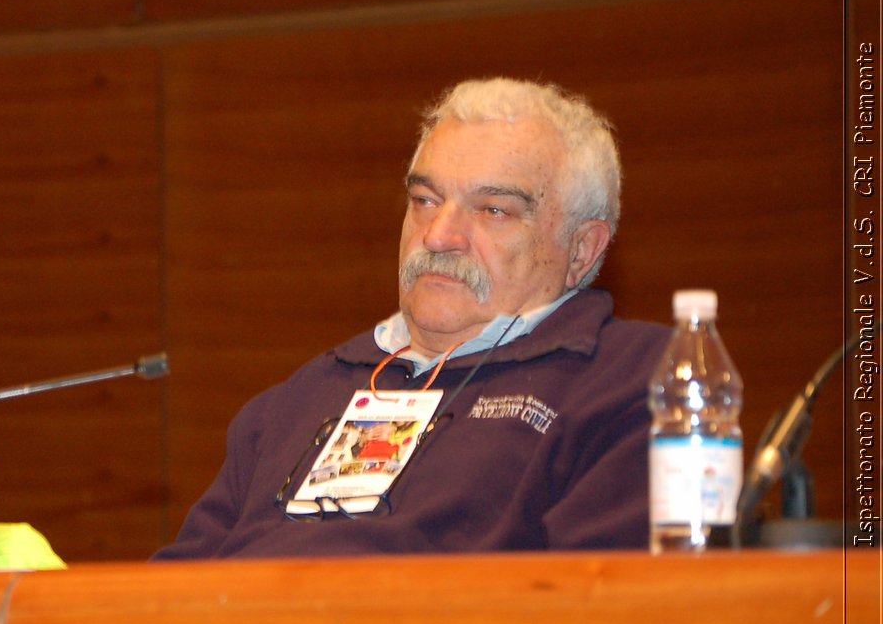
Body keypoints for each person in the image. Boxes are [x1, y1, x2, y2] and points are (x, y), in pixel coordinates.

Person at [155, 77, 671, 559]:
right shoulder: (294, 402)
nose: (439, 235)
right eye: (425, 200)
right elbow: (162, 599)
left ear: (581, 249)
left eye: (492, 209)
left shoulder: (633, 381)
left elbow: (599, 608)